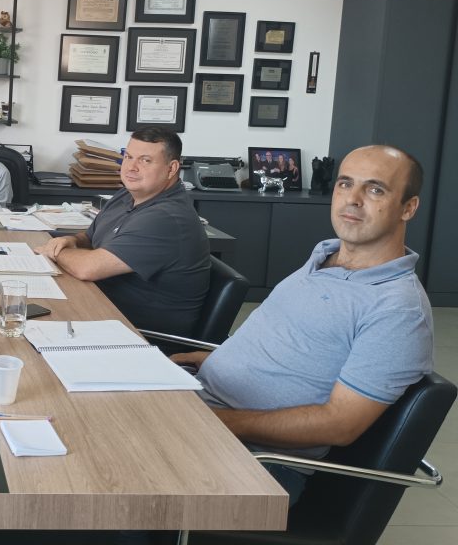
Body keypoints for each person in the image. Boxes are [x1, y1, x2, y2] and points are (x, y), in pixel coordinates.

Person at [173, 145, 434, 505]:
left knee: (105, 477)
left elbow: (339, 424)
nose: (352, 199)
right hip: (199, 401)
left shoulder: (398, 309)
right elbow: (295, 344)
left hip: (258, 459)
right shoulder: (325, 256)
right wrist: (212, 358)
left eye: (375, 189)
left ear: (408, 207)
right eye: (345, 184)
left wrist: (217, 420)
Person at [35, 126, 209, 336]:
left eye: (145, 160)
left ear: (171, 169)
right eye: (128, 157)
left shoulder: (167, 218)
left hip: (138, 332)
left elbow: (88, 268)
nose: (131, 167)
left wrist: (55, 251)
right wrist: (72, 240)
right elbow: (90, 238)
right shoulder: (127, 195)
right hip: (101, 306)